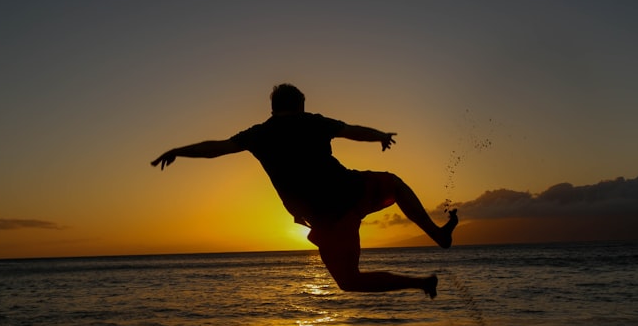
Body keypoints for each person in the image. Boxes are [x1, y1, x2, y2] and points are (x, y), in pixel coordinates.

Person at [151, 84, 458, 298]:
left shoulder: (259, 134)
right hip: (352, 190)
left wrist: (179, 150)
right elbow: (352, 131)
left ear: (273, 108)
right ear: (299, 105)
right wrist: (379, 135)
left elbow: (215, 149)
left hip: (327, 217)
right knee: (396, 184)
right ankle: (436, 234)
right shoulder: (313, 122)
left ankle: (421, 283)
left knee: (350, 281)